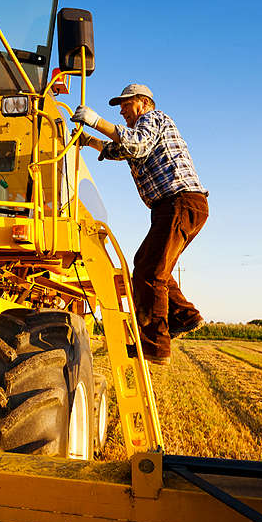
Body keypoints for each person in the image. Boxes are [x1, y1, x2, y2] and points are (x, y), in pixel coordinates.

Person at [72, 84, 208, 365]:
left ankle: (156, 345)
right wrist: (90, 141)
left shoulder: (153, 119)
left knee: (150, 272)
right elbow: (121, 151)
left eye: (126, 104)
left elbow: (136, 144)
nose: (121, 110)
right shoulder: (144, 128)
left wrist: (97, 121)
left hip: (178, 202)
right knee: (147, 263)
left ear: (144, 103)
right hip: (174, 206)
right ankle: (185, 316)